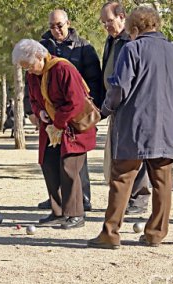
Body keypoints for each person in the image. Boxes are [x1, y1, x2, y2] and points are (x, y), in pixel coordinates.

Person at [88, 6, 173, 249]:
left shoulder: (131, 48)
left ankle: (111, 233)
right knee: (162, 183)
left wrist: (105, 109)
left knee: (122, 179)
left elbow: (120, 87)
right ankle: (155, 233)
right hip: (165, 129)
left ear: (134, 29)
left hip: (135, 127)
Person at [12, 39, 96, 229]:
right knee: (48, 165)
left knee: (69, 168)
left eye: (30, 65)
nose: (29, 70)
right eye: (25, 68)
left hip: (73, 128)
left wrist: (58, 122)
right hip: (51, 128)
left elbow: (75, 102)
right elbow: (33, 98)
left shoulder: (63, 69)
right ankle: (57, 211)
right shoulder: (33, 75)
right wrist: (39, 112)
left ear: (40, 56)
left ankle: (76, 214)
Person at [35, 9, 102, 212]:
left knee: (76, 157)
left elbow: (95, 81)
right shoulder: (43, 47)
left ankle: (83, 197)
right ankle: (57, 198)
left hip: (77, 109)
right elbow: (34, 81)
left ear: (68, 23)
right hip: (51, 109)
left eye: (59, 25)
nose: (56, 30)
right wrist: (33, 110)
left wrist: (93, 110)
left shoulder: (84, 47)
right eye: (52, 26)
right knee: (53, 157)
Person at [100, 1, 151, 215]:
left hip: (132, 106)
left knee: (137, 153)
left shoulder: (132, 40)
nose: (106, 26)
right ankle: (125, 198)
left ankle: (139, 200)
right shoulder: (111, 41)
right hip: (116, 107)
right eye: (103, 23)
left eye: (109, 21)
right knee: (119, 155)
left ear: (122, 16)